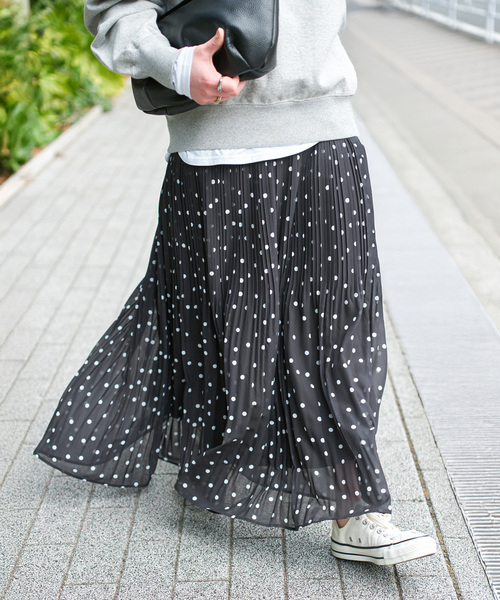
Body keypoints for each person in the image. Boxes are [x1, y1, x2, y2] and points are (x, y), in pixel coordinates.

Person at [33, 0, 437, 565]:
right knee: (216, 327)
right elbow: (115, 9)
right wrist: (176, 67)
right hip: (217, 148)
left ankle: (355, 508)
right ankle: (223, 456)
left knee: (338, 332)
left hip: (329, 130)